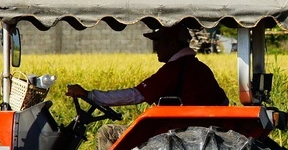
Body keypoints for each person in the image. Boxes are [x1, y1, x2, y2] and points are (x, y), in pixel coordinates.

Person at [65, 23, 228, 109]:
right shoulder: (200, 68)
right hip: (195, 129)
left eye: (158, 42)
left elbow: (136, 95)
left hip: (180, 131)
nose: (156, 47)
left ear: (172, 43)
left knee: (107, 132)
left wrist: (90, 95)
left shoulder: (173, 70)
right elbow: (223, 101)